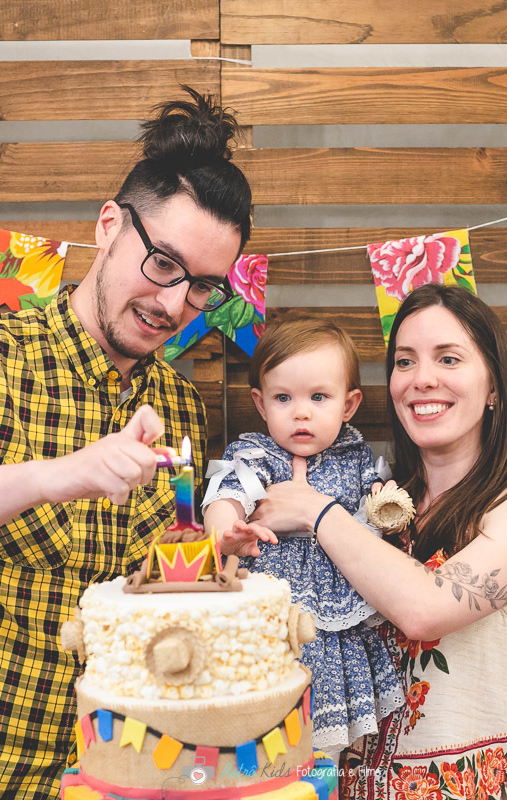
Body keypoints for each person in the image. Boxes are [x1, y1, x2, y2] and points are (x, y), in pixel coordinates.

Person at [0, 88, 251, 800]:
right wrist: (55, 475)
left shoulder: (177, 402)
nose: (174, 304)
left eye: (204, 287)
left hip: (114, 778)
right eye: (162, 264)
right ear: (108, 226)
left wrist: (213, 559)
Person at [239, 284, 507, 800]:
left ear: (494, 388)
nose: (422, 380)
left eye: (449, 359)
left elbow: (425, 609)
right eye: (405, 362)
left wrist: (311, 508)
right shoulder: (371, 505)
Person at [201, 317, 405, 753]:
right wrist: (226, 531)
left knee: (325, 748)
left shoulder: (356, 457)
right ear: (260, 403)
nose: (301, 412)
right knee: (261, 729)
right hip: (270, 611)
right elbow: (228, 491)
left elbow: (379, 504)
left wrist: (385, 506)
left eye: (318, 397)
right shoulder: (257, 453)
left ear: (348, 405)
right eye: (282, 398)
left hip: (333, 621)